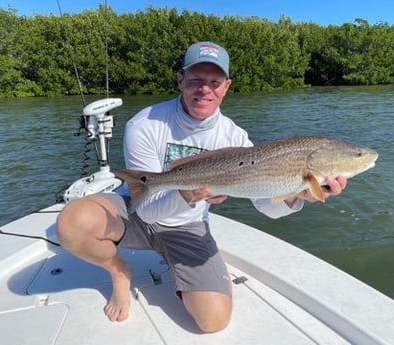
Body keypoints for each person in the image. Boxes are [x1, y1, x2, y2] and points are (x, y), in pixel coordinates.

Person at [56, 41, 347, 333]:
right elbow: (147, 212)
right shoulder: (144, 123)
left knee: (213, 322)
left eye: (214, 82)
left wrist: (298, 194)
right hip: (137, 210)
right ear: (180, 80)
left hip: (189, 226)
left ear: (226, 86)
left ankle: (181, 266)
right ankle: (119, 271)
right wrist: (186, 193)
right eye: (195, 80)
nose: (204, 89)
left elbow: (266, 207)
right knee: (73, 222)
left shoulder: (235, 137)